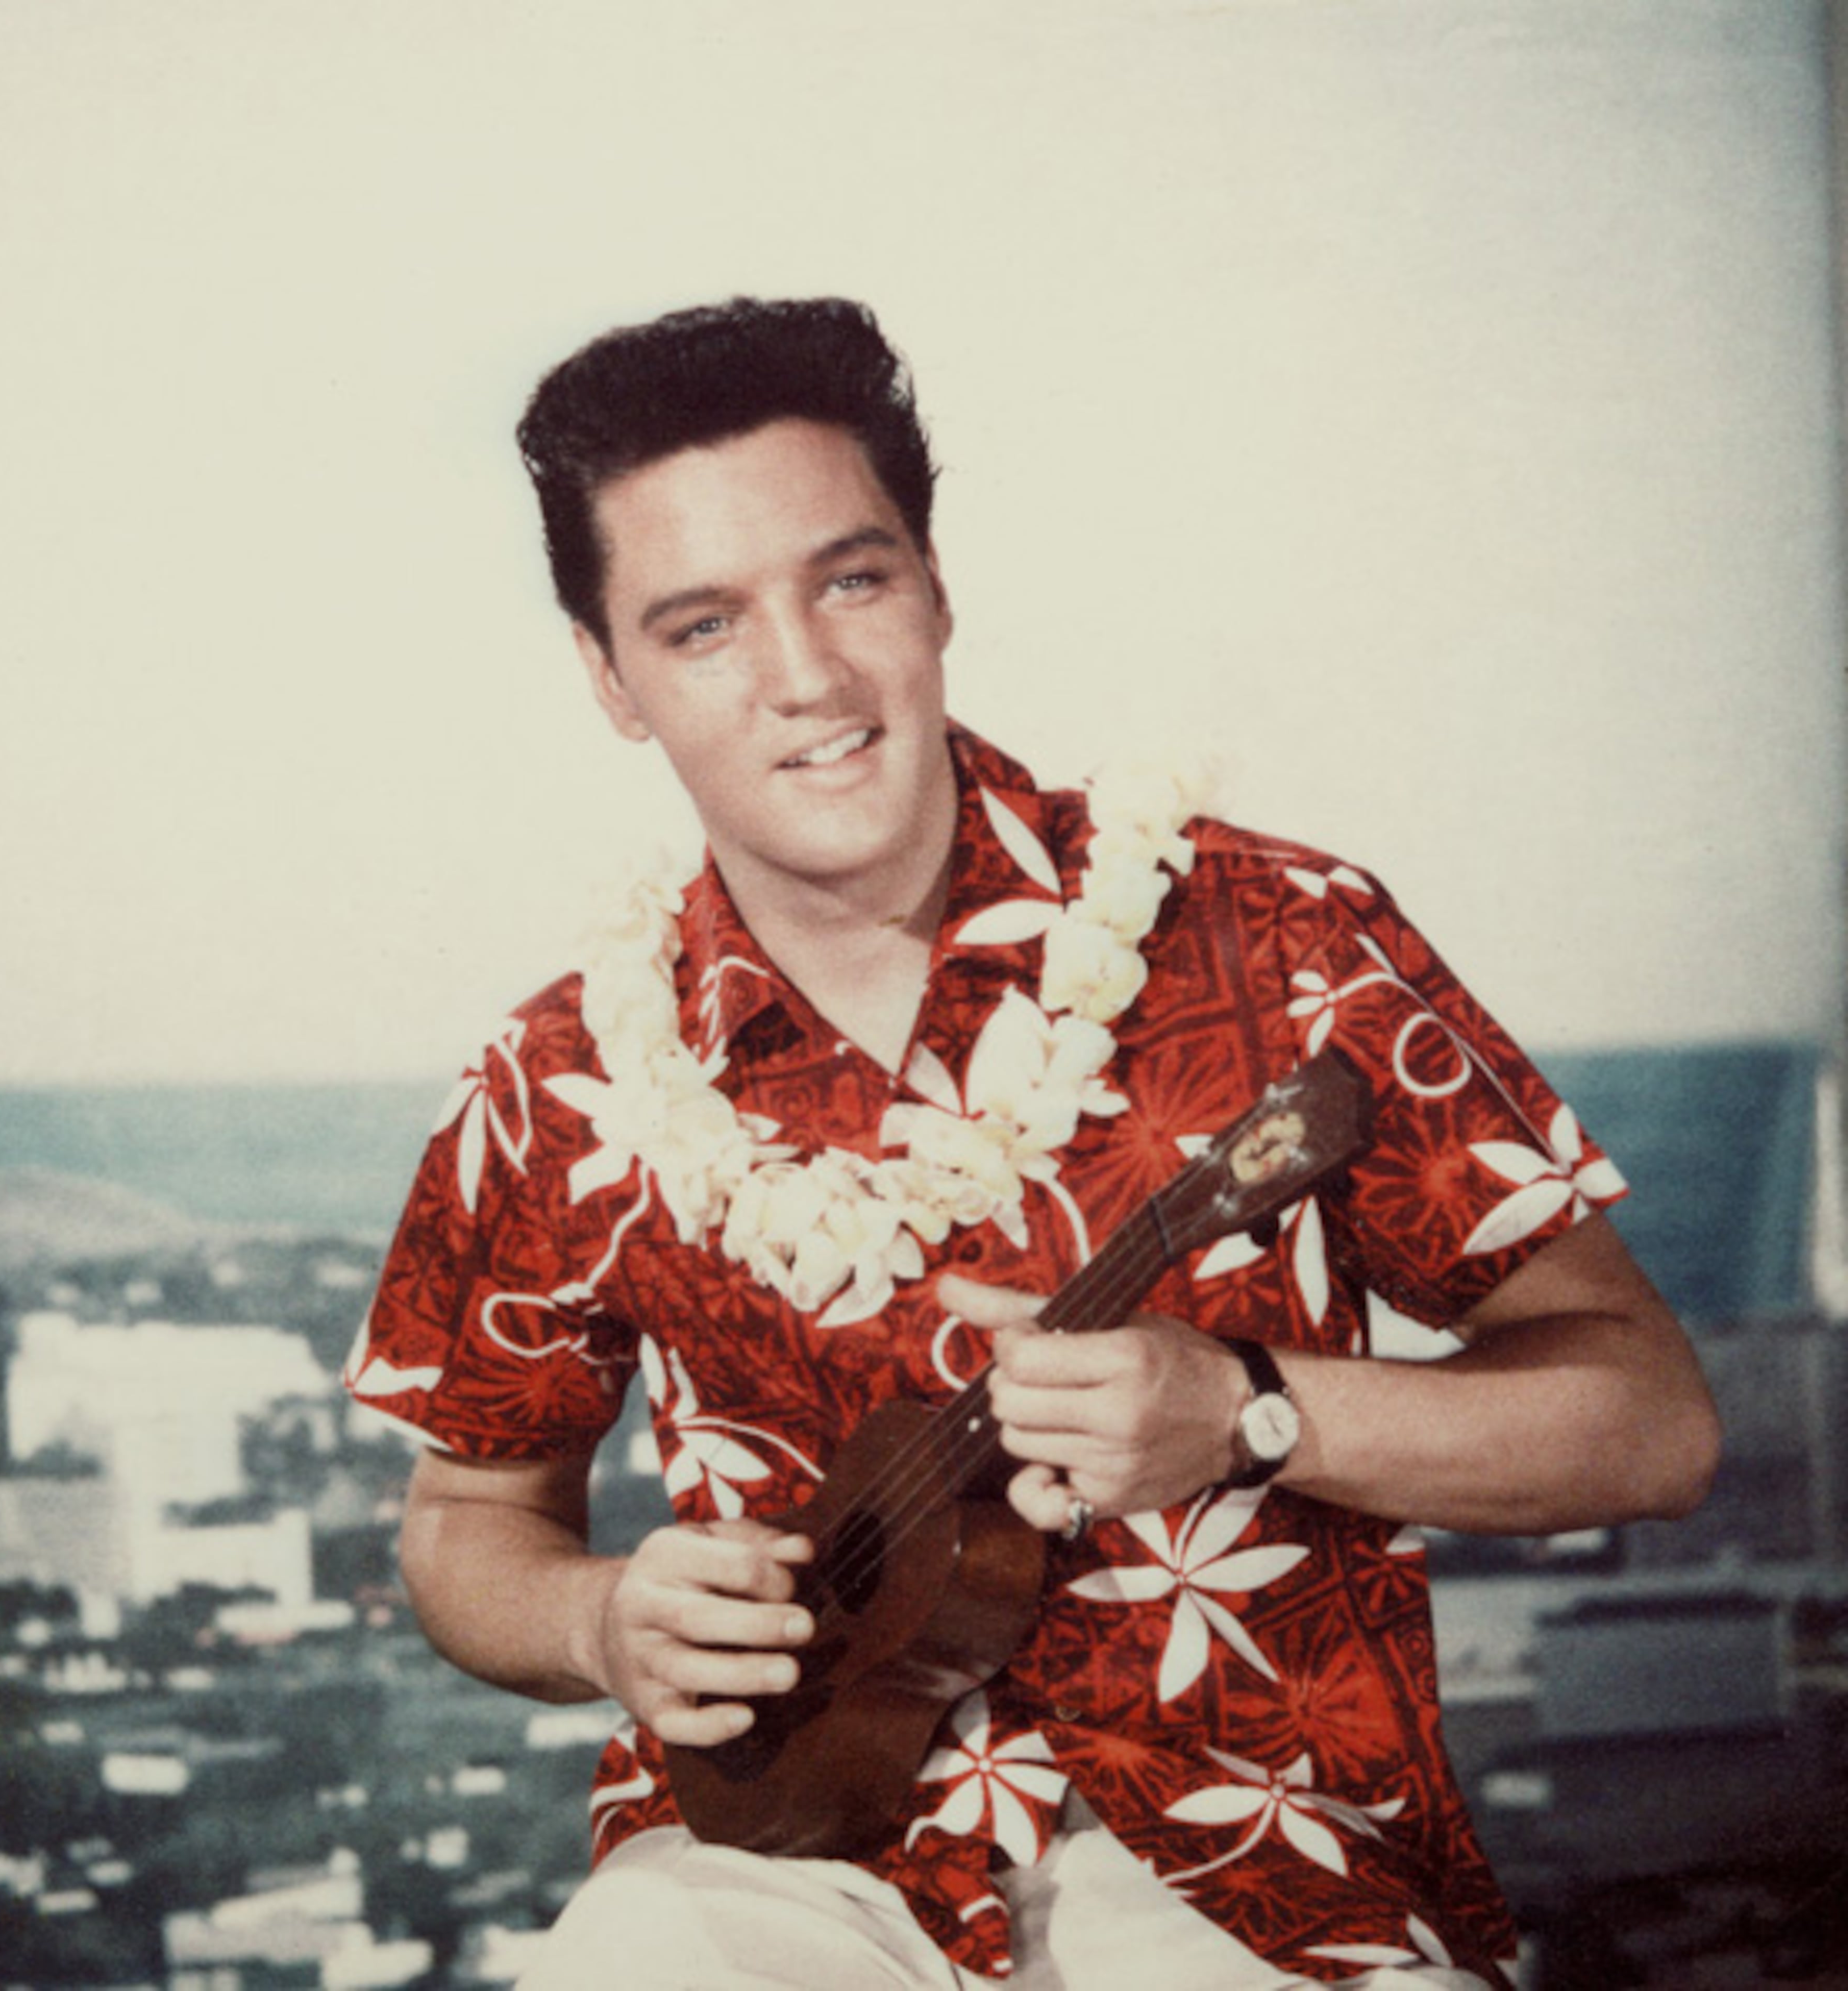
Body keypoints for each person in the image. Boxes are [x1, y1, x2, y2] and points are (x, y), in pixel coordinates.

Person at [343, 297, 1721, 1989]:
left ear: (933, 587)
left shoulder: (1277, 940)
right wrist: (592, 1620)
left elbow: (1652, 1424)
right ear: (611, 679)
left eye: (850, 580)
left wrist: (1251, 1409)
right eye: (701, 625)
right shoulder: (562, 1080)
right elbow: (467, 1517)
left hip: (1268, 1867)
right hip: (776, 1860)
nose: (807, 679)